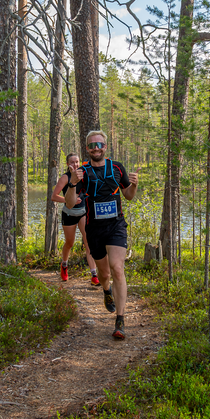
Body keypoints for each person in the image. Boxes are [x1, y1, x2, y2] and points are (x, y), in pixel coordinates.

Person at [65, 130, 139, 340]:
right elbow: (70, 204)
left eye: (100, 144)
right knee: (104, 275)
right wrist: (72, 182)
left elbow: (128, 196)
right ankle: (107, 292)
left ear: (106, 147)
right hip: (94, 229)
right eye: (92, 145)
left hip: (116, 226)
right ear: (87, 148)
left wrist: (134, 185)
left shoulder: (116, 167)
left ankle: (120, 320)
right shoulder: (81, 172)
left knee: (117, 268)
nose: (96, 148)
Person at [50, 153, 100, 284]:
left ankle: (94, 275)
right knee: (69, 243)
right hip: (69, 214)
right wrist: (68, 200)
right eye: (72, 162)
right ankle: (64, 265)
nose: (75, 164)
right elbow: (54, 197)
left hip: (83, 213)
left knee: (88, 242)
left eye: (77, 162)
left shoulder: (83, 176)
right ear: (67, 164)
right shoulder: (65, 178)